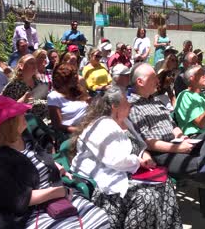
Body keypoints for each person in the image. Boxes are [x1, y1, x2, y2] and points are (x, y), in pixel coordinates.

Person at [128, 63, 205, 229]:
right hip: (161, 153)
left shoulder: (156, 101)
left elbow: (173, 125)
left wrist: (182, 137)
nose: (157, 80)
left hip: (177, 143)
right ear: (140, 82)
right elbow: (149, 142)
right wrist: (178, 148)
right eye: (153, 78)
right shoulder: (133, 107)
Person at [0, 95, 109, 228]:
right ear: (7, 125)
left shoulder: (23, 136)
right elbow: (20, 199)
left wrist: (54, 165)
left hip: (58, 198)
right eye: (18, 114)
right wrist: (60, 192)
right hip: (30, 214)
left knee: (101, 218)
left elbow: (38, 155)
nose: (24, 113)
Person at [71, 86, 182, 228]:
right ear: (114, 106)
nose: (130, 105)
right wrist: (138, 161)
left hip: (128, 171)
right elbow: (115, 160)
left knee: (166, 184)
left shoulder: (126, 122)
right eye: (126, 103)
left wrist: (144, 154)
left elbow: (140, 145)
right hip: (107, 177)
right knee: (147, 197)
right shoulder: (101, 126)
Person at [2, 54, 49, 119]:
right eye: (31, 63)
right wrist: (22, 101)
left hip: (43, 121)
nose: (34, 66)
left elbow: (48, 101)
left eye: (35, 63)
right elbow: (8, 110)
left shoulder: (39, 83)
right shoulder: (13, 85)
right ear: (21, 66)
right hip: (22, 124)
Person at [48, 63, 89, 135]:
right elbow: (58, 126)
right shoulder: (53, 97)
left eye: (76, 73)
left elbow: (91, 105)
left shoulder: (78, 90)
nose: (77, 77)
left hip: (88, 127)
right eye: (73, 75)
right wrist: (81, 131)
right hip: (73, 134)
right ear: (64, 78)